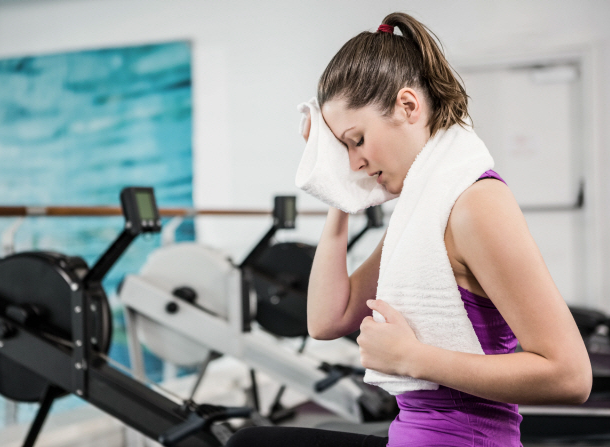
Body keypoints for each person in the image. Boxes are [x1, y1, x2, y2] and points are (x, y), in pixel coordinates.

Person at [226, 11, 592, 447]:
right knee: (252, 442)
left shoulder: (474, 203)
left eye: (356, 140)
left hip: (460, 440)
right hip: (411, 434)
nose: (354, 162)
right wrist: (338, 193)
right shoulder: (423, 209)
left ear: (407, 106)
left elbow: (569, 376)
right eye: (343, 149)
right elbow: (327, 320)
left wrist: (412, 358)